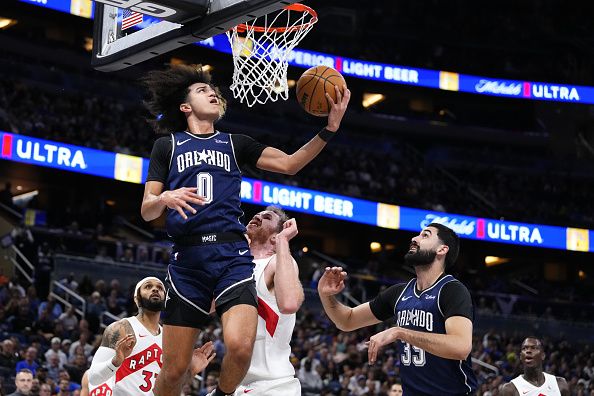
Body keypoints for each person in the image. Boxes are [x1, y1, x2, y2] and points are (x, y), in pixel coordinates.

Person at [139, 64, 350, 396]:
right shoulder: (168, 146)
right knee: (175, 369)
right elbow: (146, 210)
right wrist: (163, 197)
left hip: (231, 256)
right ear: (184, 106)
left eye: (212, 90)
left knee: (239, 347)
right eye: (200, 90)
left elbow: (289, 163)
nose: (211, 92)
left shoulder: (235, 143)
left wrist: (330, 128)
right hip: (188, 261)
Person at [318, 223, 478, 395]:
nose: (414, 239)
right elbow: (346, 320)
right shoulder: (399, 293)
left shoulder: (451, 290)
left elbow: (461, 347)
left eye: (425, 235)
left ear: (442, 250)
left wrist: (400, 332)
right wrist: (326, 295)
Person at [88, 276, 216, 394]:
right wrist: (115, 361)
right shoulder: (121, 328)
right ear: (136, 298)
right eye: (148, 287)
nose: (155, 289)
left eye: (160, 288)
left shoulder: (169, 338)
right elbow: (93, 378)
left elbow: (171, 386)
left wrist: (191, 371)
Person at [234, 207, 303, 395]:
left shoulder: (276, 262)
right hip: (237, 382)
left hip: (273, 384)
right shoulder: (235, 266)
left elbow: (289, 303)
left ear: (275, 237)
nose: (257, 216)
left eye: (267, 217)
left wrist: (283, 241)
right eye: (257, 214)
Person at [501, 337, 569, 396]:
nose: (528, 351)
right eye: (525, 348)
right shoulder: (510, 389)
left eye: (533, 348)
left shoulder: (560, 384)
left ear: (542, 355)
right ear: (521, 356)